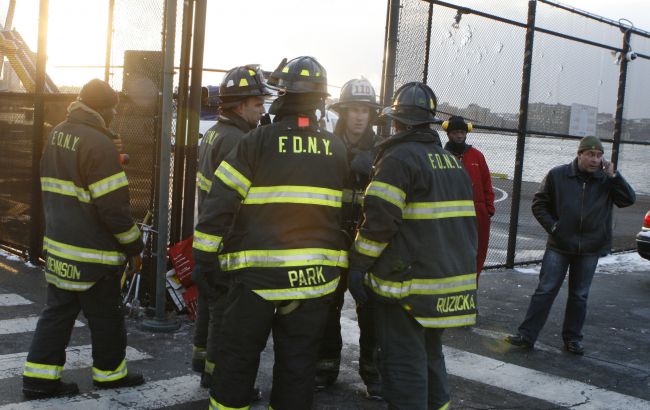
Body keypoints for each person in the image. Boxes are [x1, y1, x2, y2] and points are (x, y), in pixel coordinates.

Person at [192, 56, 349, 410]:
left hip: (256, 281)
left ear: (281, 95)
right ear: (321, 99)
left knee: (237, 360)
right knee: (298, 366)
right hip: (314, 283)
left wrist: (204, 259)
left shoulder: (256, 142)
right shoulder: (336, 149)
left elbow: (220, 204)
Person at [348, 82, 478, 409]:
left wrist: (358, 266)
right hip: (445, 286)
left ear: (396, 122)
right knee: (432, 358)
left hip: (408, 289)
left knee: (404, 367)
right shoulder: (451, 162)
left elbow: (379, 225)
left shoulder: (397, 159)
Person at [23, 79, 145, 398]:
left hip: (60, 248)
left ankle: (38, 380)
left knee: (57, 314)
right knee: (106, 317)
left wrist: (109, 147)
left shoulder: (59, 132)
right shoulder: (99, 144)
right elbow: (114, 210)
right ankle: (110, 375)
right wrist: (134, 246)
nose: (114, 116)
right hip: (93, 255)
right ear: (103, 109)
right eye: (113, 110)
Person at [506, 136, 635, 355]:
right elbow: (539, 204)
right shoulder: (558, 174)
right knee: (545, 290)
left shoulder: (606, 180)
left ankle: (573, 339)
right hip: (559, 245)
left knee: (579, 295)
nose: (595, 160)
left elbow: (627, 200)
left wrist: (615, 176)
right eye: (591, 155)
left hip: (589, 248)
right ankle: (526, 335)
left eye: (599, 156)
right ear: (580, 154)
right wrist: (554, 228)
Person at [192, 65, 270, 390]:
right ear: (240, 106)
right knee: (225, 312)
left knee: (210, 305)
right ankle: (216, 373)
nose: (262, 110)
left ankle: (203, 360)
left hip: (211, 236)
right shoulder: (239, 140)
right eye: (257, 105)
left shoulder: (213, 132)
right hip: (228, 238)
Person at [315, 77, 382, 397]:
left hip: (367, 243)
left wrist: (374, 169)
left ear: (371, 115)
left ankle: (373, 374)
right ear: (342, 112)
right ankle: (326, 366)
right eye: (353, 109)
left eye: (364, 110)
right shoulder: (327, 146)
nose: (359, 116)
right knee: (327, 305)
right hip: (332, 238)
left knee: (370, 310)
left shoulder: (383, 152)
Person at [443, 115, 495, 278]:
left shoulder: (477, 156)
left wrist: (488, 209)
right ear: (448, 134)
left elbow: (487, 183)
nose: (459, 136)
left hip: (478, 214)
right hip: (451, 215)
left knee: (478, 253)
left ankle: (473, 286)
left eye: (462, 132)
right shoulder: (441, 156)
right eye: (455, 132)